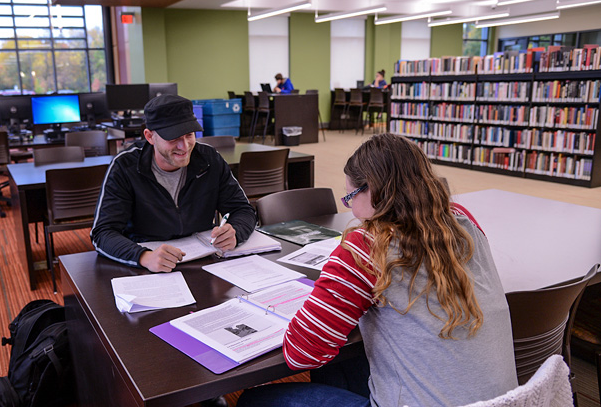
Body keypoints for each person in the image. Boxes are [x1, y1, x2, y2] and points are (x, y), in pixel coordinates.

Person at [237, 133, 517, 407]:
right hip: (505, 401)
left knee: (253, 400)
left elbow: (301, 355)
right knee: (342, 362)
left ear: (373, 190)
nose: (353, 212)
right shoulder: (462, 220)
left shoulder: (366, 248)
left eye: (350, 198)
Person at [91, 94, 257, 273]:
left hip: (204, 263)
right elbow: (103, 232)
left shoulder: (209, 159)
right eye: (173, 138)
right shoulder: (125, 167)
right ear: (149, 136)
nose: (184, 146)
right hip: (148, 268)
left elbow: (243, 210)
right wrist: (143, 256)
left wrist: (236, 232)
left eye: (189, 135)